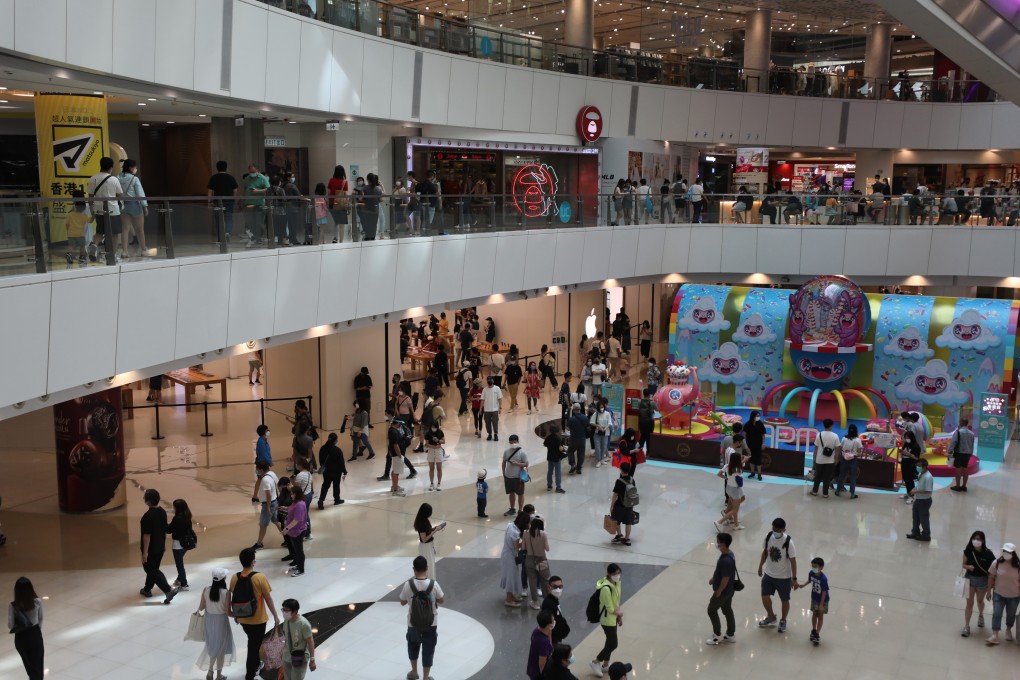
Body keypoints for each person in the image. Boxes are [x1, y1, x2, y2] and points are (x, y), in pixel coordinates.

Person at [230, 547, 280, 680]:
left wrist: (236, 615)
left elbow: (234, 597)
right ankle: (250, 674)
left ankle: (257, 665)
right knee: (253, 647)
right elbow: (268, 598)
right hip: (258, 619)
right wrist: (275, 614)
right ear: (253, 562)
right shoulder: (259, 577)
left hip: (243, 618)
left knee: (253, 641)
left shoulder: (234, 578)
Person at [400, 555, 444, 680]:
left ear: (414, 569)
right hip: (431, 623)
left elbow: (402, 602)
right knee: (428, 650)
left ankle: (414, 672)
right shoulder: (433, 584)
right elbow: (441, 600)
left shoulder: (408, 585)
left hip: (413, 623)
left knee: (413, 646)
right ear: (427, 568)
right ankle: (426, 677)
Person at [138, 488, 180, 604]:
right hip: (160, 547)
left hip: (151, 549)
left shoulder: (147, 517)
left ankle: (168, 590)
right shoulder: (162, 511)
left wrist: (145, 552)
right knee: (152, 569)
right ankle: (147, 589)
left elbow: (147, 536)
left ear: (148, 502)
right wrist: (163, 544)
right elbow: (164, 530)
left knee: (151, 569)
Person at [757, 517, 797, 634]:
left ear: (784, 530)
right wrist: (760, 566)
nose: (775, 531)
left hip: (783, 577)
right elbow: (765, 552)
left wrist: (794, 578)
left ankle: (783, 620)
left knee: (784, 599)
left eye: (778, 530)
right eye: (774, 528)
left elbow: (793, 561)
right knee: (764, 596)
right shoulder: (769, 536)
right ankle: (771, 616)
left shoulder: (789, 542)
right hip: (769, 574)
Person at [197, 567, 236, 680]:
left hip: (209, 620)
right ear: (223, 578)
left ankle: (210, 672)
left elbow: (201, 607)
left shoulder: (206, 590)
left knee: (212, 646)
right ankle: (217, 675)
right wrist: (237, 617)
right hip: (221, 622)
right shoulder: (226, 593)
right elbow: (228, 612)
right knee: (221, 649)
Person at [86, 156, 124, 259]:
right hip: (113, 210)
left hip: (99, 209)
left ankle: (94, 244)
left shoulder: (93, 178)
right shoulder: (114, 179)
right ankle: (112, 254)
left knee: (99, 232)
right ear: (111, 167)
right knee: (114, 234)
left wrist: (92, 211)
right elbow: (119, 195)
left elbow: (90, 197)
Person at [590, 563, 623, 678]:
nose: (617, 576)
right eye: (615, 574)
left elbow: (617, 602)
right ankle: (596, 661)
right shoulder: (606, 588)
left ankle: (605, 664)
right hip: (607, 620)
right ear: (609, 574)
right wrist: (618, 613)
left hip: (613, 618)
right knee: (613, 643)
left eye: (619, 573)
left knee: (609, 641)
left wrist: (619, 617)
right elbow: (609, 608)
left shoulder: (617, 584)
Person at [9, 576, 44, 680]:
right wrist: (36, 631)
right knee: (38, 666)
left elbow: (10, 625)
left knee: (30, 667)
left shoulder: (13, 606)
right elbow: (41, 619)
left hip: (21, 638)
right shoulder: (38, 602)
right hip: (35, 635)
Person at [985, 542, 1020, 645]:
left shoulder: (1018, 566)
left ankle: (1008, 629)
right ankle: (995, 635)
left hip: (1014, 596)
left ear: (1013, 553)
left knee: (1011, 614)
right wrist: (988, 591)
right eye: (1004, 551)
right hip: (998, 594)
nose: (1006, 553)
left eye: (1008, 552)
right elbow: (991, 577)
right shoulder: (996, 563)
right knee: (997, 613)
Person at [706, 532, 737, 645]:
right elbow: (722, 573)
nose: (716, 544)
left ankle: (717, 635)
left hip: (723, 591)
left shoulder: (725, 560)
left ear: (723, 545)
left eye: (718, 542)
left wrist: (718, 591)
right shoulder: (729, 554)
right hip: (730, 590)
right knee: (727, 610)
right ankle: (730, 634)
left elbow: (725, 578)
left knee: (711, 610)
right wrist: (714, 578)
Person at [961, 530, 995, 637]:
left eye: (979, 539)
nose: (976, 541)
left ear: (983, 541)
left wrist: (991, 585)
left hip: (982, 581)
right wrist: (968, 567)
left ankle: (981, 615)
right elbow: (963, 564)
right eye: (974, 538)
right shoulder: (968, 551)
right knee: (969, 603)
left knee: (980, 601)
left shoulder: (988, 554)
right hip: (969, 579)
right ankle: (966, 626)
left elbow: (993, 569)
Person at [794, 557, 829, 644]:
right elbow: (810, 580)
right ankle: (813, 630)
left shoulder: (823, 579)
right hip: (814, 598)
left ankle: (817, 633)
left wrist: (821, 604)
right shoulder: (811, 573)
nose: (813, 568)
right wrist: (803, 585)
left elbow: (824, 592)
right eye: (812, 566)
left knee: (820, 616)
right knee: (814, 614)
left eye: (815, 566)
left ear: (821, 567)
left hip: (823, 600)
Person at [279, 598, 316, 679]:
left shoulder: (304, 624)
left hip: (299, 657)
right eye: (283, 610)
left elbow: (310, 642)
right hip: (286, 656)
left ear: (295, 611)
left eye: (287, 610)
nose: (284, 612)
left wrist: (312, 660)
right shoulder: (287, 620)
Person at [118, 158, 149, 257]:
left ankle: (124, 251)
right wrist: (145, 206)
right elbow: (140, 193)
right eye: (135, 167)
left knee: (125, 229)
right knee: (140, 229)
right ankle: (143, 249)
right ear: (131, 168)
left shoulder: (118, 177)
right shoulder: (134, 179)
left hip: (123, 205)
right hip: (134, 205)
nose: (136, 168)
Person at [501, 511, 529, 607]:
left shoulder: (511, 525)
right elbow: (517, 547)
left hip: (506, 553)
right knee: (511, 577)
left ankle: (512, 595)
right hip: (510, 555)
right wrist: (525, 541)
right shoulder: (515, 532)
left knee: (512, 575)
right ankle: (509, 599)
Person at [524, 516, 552, 610]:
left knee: (532, 581)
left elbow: (523, 547)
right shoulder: (543, 534)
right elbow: (547, 548)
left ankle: (535, 602)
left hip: (529, 559)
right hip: (541, 560)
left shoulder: (525, 533)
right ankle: (547, 601)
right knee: (545, 581)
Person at [207, 160, 239, 241]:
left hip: (217, 202)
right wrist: (234, 199)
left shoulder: (213, 178)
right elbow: (235, 190)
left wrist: (209, 202)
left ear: (217, 168)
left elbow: (210, 191)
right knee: (229, 218)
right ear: (226, 167)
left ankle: (220, 236)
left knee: (218, 219)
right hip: (229, 201)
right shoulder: (230, 177)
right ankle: (227, 233)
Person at [715, 449, 746, 531]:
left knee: (741, 500)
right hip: (735, 490)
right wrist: (744, 460)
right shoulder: (738, 470)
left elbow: (719, 474)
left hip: (729, 488)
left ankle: (736, 524)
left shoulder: (727, 466)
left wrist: (726, 478)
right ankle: (719, 522)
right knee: (735, 509)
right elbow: (740, 476)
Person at [168, 498, 194, 591]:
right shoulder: (187, 516)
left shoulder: (177, 519)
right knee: (180, 564)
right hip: (185, 544)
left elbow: (168, 530)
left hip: (177, 545)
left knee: (179, 565)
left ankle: (184, 584)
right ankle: (180, 579)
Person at [252, 460, 279, 550]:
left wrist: (267, 507)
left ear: (262, 470)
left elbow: (268, 495)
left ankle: (259, 543)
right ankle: (287, 537)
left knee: (263, 525)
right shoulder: (272, 473)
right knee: (276, 521)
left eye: (257, 470)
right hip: (275, 502)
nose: (256, 472)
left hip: (268, 504)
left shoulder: (265, 480)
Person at [609, 462, 638, 546]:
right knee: (628, 522)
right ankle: (627, 538)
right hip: (629, 504)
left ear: (621, 470)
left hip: (619, 505)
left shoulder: (619, 481)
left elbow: (615, 494)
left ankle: (619, 535)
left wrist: (611, 506)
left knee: (616, 520)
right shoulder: (632, 479)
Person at [414, 502, 445, 579]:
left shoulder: (424, 520)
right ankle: (429, 583)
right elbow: (424, 539)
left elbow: (427, 531)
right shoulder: (421, 523)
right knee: (429, 566)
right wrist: (434, 531)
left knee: (431, 565)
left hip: (429, 546)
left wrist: (434, 528)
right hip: (426, 547)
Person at [906, 458, 933, 541]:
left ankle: (926, 535)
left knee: (923, 518)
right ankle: (915, 532)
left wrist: (916, 491)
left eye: (919, 466)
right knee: (915, 517)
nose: (917, 467)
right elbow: (919, 485)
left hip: (924, 501)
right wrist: (914, 490)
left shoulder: (928, 477)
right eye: (917, 465)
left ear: (924, 467)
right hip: (918, 499)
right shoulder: (921, 474)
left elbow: (928, 491)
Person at [811, 418, 840, 498]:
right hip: (830, 460)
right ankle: (825, 493)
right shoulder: (835, 436)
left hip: (819, 460)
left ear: (824, 425)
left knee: (817, 476)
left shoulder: (819, 435)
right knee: (827, 478)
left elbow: (816, 448)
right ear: (831, 426)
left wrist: (814, 459)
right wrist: (836, 458)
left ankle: (815, 491)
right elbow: (838, 449)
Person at [283, 487, 309, 576]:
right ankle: (298, 565)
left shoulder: (300, 504)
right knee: (296, 550)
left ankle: (301, 570)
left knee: (299, 551)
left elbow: (296, 520)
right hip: (293, 531)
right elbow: (292, 511)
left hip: (298, 531)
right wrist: (285, 509)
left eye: (292, 494)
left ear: (296, 494)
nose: (291, 495)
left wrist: (286, 529)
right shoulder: (295, 502)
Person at [317, 432, 347, 508]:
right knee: (336, 485)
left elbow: (321, 461)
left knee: (325, 485)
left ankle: (321, 500)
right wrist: (344, 471)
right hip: (336, 472)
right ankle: (337, 500)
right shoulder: (337, 450)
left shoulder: (322, 448)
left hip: (326, 471)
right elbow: (341, 463)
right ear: (335, 441)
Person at [502, 434, 529, 516]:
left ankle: (520, 510)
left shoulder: (522, 453)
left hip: (518, 477)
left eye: (515, 442)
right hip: (508, 476)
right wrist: (504, 473)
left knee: (520, 494)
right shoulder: (506, 452)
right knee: (511, 493)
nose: (513, 443)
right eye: (512, 442)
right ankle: (512, 508)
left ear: (518, 441)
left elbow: (526, 464)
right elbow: (504, 462)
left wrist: (517, 464)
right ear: (509, 442)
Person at [833, 424, 863, 498]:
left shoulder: (844, 439)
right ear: (856, 431)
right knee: (853, 477)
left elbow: (840, 448)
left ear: (848, 430)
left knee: (842, 475)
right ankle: (852, 494)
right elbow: (859, 452)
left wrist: (838, 457)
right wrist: (856, 454)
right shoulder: (858, 440)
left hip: (844, 459)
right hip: (853, 460)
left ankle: (837, 491)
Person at [527, 610, 556, 680]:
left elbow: (549, 641)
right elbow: (542, 664)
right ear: (548, 625)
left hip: (532, 667)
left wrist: (550, 629)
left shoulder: (537, 630)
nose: (554, 621)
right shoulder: (543, 642)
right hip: (538, 674)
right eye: (553, 620)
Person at [541, 575, 571, 644]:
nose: (558, 589)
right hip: (554, 638)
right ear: (549, 587)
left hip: (557, 635)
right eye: (555, 587)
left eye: (560, 587)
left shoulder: (554, 599)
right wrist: (550, 643)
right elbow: (548, 626)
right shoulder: (548, 604)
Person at [950, 418, 976, 492]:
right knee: (965, 469)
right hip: (967, 454)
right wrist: (971, 453)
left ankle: (958, 486)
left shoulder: (958, 432)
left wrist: (949, 452)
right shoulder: (972, 433)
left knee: (958, 470)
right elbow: (972, 444)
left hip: (959, 453)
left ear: (961, 422)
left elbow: (953, 442)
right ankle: (964, 486)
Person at [900, 423, 921, 505]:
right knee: (905, 479)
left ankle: (912, 496)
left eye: (908, 438)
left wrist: (909, 454)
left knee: (910, 480)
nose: (906, 439)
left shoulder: (916, 446)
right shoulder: (906, 444)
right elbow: (903, 452)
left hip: (911, 464)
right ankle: (908, 493)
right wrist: (902, 453)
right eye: (905, 438)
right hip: (904, 463)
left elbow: (917, 458)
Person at [326, 164, 349, 239]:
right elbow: (345, 194)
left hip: (332, 204)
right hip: (341, 205)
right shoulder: (344, 182)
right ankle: (341, 241)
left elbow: (329, 193)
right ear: (343, 172)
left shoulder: (331, 180)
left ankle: (335, 238)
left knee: (336, 222)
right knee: (341, 224)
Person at [742, 410, 765, 480]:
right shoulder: (747, 424)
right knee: (751, 458)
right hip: (750, 444)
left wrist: (763, 444)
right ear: (753, 416)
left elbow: (763, 435)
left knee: (758, 459)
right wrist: (745, 444)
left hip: (758, 444)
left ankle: (759, 474)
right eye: (757, 415)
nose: (758, 417)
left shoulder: (761, 424)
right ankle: (752, 472)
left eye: (759, 415)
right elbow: (744, 434)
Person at [566, 404, 589, 475]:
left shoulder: (571, 419)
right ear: (580, 409)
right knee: (581, 454)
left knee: (570, 451)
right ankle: (579, 468)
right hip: (582, 439)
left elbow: (568, 428)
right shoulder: (585, 418)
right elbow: (588, 427)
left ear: (573, 410)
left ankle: (573, 465)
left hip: (573, 439)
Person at [544, 424, 566, 493]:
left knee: (550, 472)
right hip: (556, 458)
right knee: (558, 473)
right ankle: (558, 487)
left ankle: (549, 486)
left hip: (550, 457)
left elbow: (545, 444)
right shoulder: (558, 438)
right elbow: (560, 448)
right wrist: (563, 449)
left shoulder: (548, 437)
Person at [590, 401, 612, 468]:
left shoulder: (607, 413)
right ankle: (598, 460)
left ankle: (602, 459)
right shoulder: (595, 414)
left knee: (604, 446)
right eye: (600, 407)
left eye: (602, 407)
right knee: (597, 447)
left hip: (605, 432)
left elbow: (609, 422)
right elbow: (591, 422)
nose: (601, 408)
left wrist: (605, 428)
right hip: (597, 433)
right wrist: (598, 426)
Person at [482, 376, 503, 441]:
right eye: (488, 380)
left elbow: (500, 398)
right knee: (487, 423)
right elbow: (482, 399)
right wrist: (481, 408)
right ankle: (490, 434)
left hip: (495, 409)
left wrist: (500, 407)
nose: (489, 381)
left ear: (493, 380)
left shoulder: (497, 388)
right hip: (486, 410)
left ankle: (496, 434)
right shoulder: (484, 389)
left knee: (495, 423)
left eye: (490, 379)